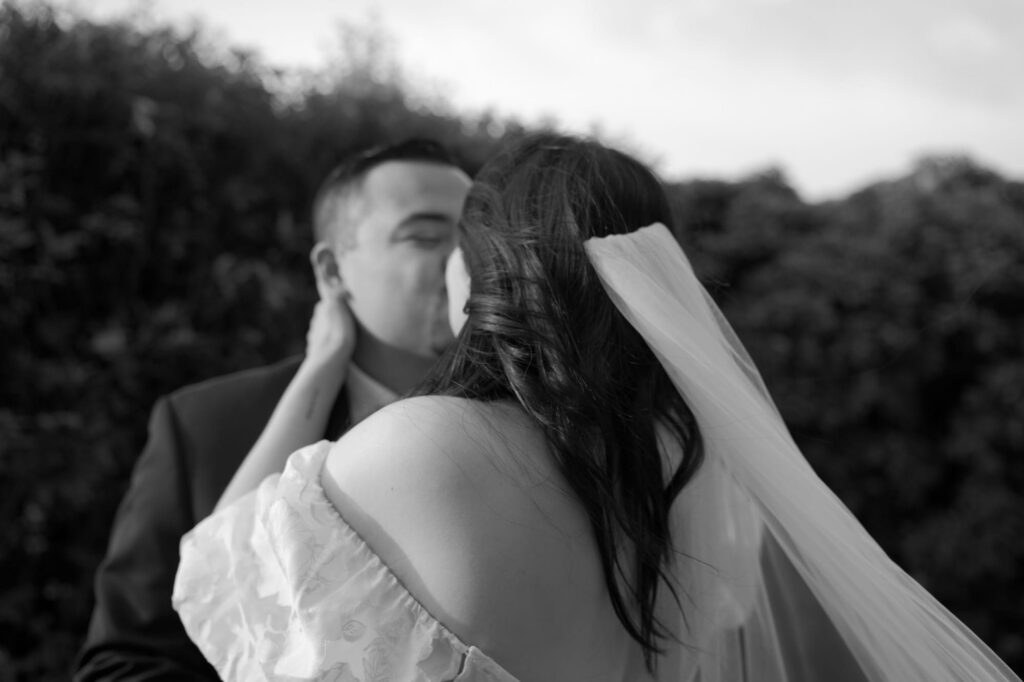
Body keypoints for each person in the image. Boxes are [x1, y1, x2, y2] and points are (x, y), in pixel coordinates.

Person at [172, 133, 1021, 681]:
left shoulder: (421, 447)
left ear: (484, 270)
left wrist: (323, 366)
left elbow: (216, 581)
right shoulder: (678, 476)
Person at [74, 139, 472, 680]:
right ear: (332, 271)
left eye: (475, 238)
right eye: (426, 237)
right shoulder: (207, 426)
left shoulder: (533, 436)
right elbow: (124, 664)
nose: (463, 261)